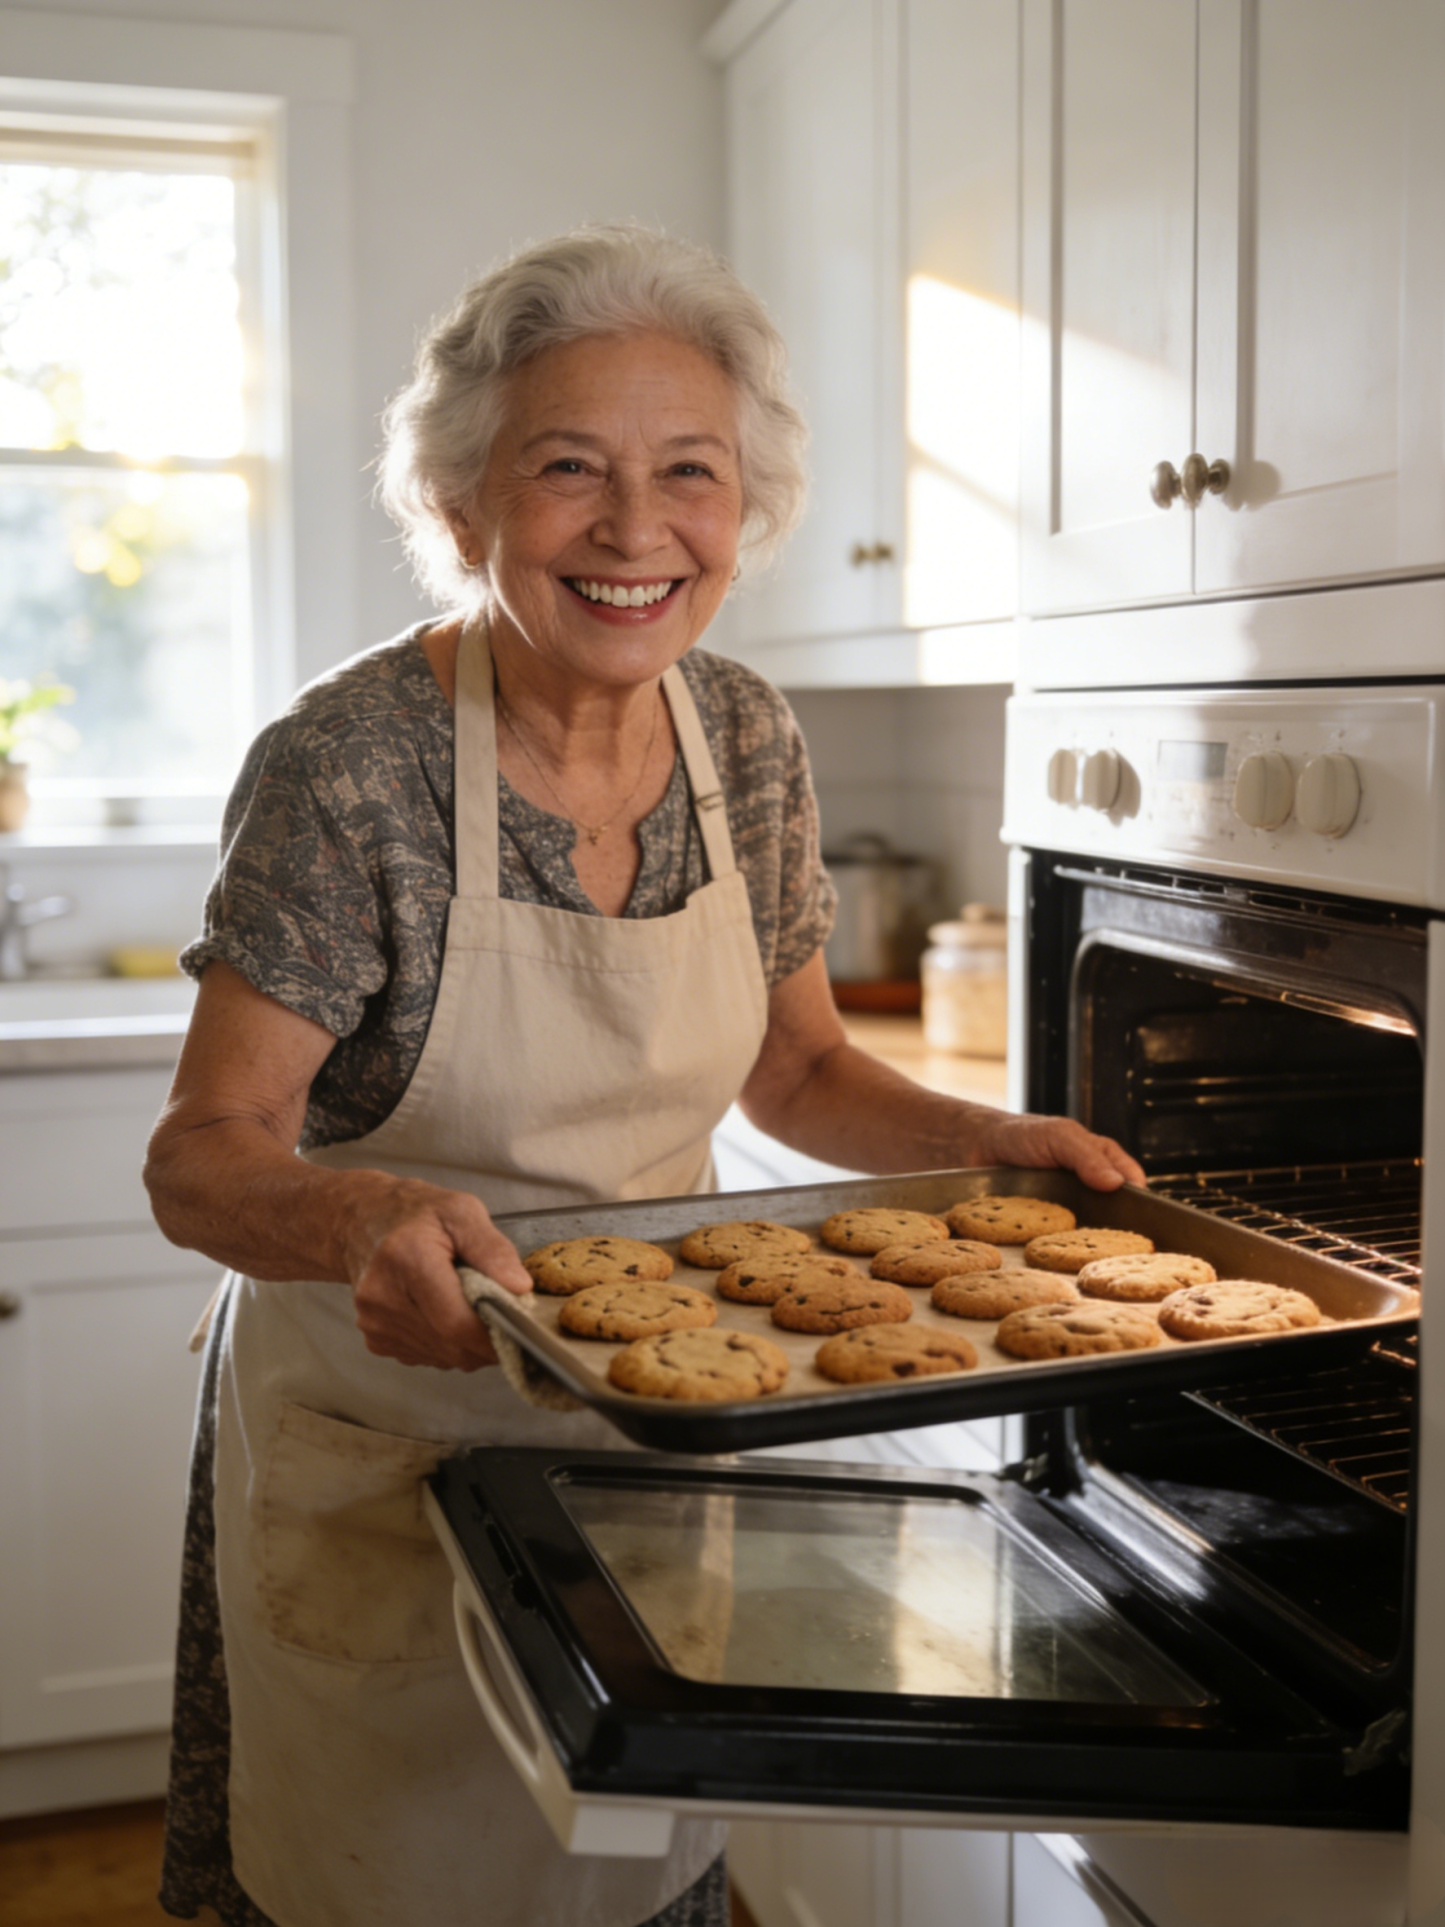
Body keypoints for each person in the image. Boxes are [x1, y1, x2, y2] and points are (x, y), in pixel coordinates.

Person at [145, 223, 1144, 1927]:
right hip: (384, 1444)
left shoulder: (745, 736)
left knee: (633, 1878)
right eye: (566, 470)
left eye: (691, 472)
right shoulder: (348, 763)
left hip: (647, 1451)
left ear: (740, 515)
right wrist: (366, 1212)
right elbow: (203, 1155)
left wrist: (992, 1143)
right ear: (463, 510)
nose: (633, 529)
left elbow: (803, 1067)